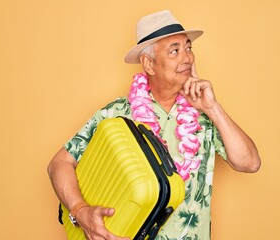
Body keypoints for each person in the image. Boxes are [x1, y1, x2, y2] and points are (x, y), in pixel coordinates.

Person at [48, 10, 261, 240]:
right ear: (148, 64)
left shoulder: (204, 115)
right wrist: (80, 210)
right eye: (175, 51)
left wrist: (212, 108)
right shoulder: (117, 113)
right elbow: (59, 163)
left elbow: (250, 163)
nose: (187, 58)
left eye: (188, 48)